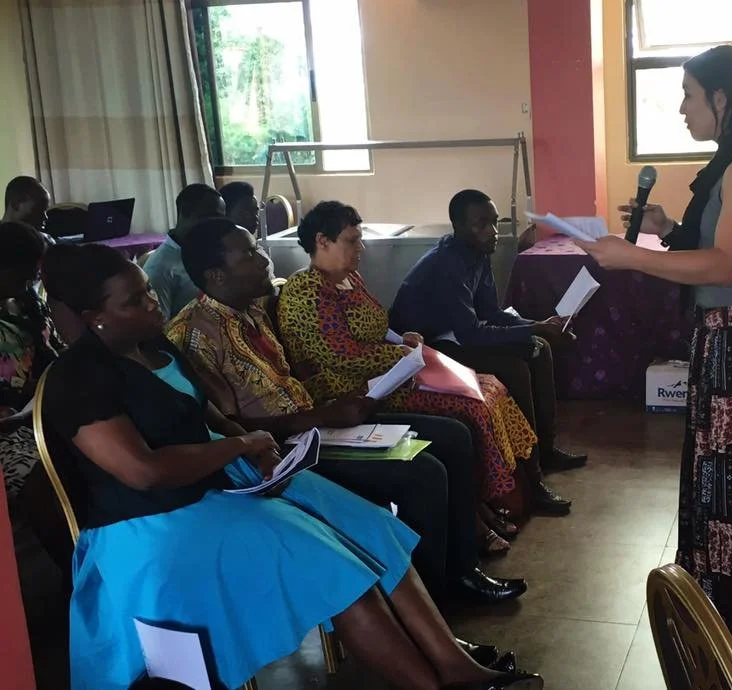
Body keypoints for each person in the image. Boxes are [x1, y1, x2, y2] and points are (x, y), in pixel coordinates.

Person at [40, 242, 542, 690]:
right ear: (94, 316)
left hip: (219, 484)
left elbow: (210, 416)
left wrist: (255, 448)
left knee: (374, 527)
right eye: (134, 301)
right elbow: (142, 472)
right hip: (156, 521)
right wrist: (240, 447)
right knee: (335, 570)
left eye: (148, 291)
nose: (152, 303)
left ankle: (450, 663)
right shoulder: (78, 379)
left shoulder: (155, 346)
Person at [576, 45, 732, 667]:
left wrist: (631, 255)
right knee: (721, 491)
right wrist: (661, 224)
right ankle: (727, 627)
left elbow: (725, 264)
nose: (681, 108)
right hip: (725, 340)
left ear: (721, 98)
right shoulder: (730, 162)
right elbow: (708, 246)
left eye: (689, 95)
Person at [167, 217, 528, 605]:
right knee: (422, 472)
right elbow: (230, 428)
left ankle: (462, 568)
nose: (263, 260)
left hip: (321, 421)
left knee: (453, 435)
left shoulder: (250, 310)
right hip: (286, 453)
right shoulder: (193, 336)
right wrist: (322, 416)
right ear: (216, 275)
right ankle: (437, 600)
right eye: (249, 254)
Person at [276, 202, 571, 518]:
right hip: (356, 392)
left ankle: (514, 489)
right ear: (322, 242)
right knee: (471, 405)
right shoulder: (306, 291)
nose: (360, 247)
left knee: (488, 387)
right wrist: (401, 355)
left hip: (392, 375)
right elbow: (342, 354)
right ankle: (490, 503)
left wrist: (401, 338)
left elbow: (376, 325)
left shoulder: (349, 278)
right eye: (351, 240)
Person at [389, 189, 588, 477]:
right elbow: (471, 334)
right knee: (515, 367)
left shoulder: (478, 253)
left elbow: (492, 314)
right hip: (422, 347)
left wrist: (543, 325)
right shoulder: (447, 264)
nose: (492, 231)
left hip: (455, 334)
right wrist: (535, 328)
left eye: (494, 222)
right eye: (481, 224)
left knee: (540, 347)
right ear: (458, 227)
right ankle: (529, 471)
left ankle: (546, 449)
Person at [0, 222, 72, 571]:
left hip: (44, 406)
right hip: (9, 427)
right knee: (40, 477)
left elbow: (52, 349)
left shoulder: (26, 300)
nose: (29, 284)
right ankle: (71, 569)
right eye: (21, 276)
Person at [143, 183, 225, 319]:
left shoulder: (209, 252)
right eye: (211, 217)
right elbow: (159, 327)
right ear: (185, 212)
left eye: (221, 219)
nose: (216, 225)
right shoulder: (160, 268)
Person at [218, 180, 277, 282]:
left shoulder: (256, 248)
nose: (254, 218)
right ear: (225, 214)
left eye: (256, 211)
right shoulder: (227, 256)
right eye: (245, 213)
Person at [3, 176, 54, 243]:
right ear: (15, 204)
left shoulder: (45, 241)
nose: (45, 217)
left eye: (45, 210)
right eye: (38, 210)